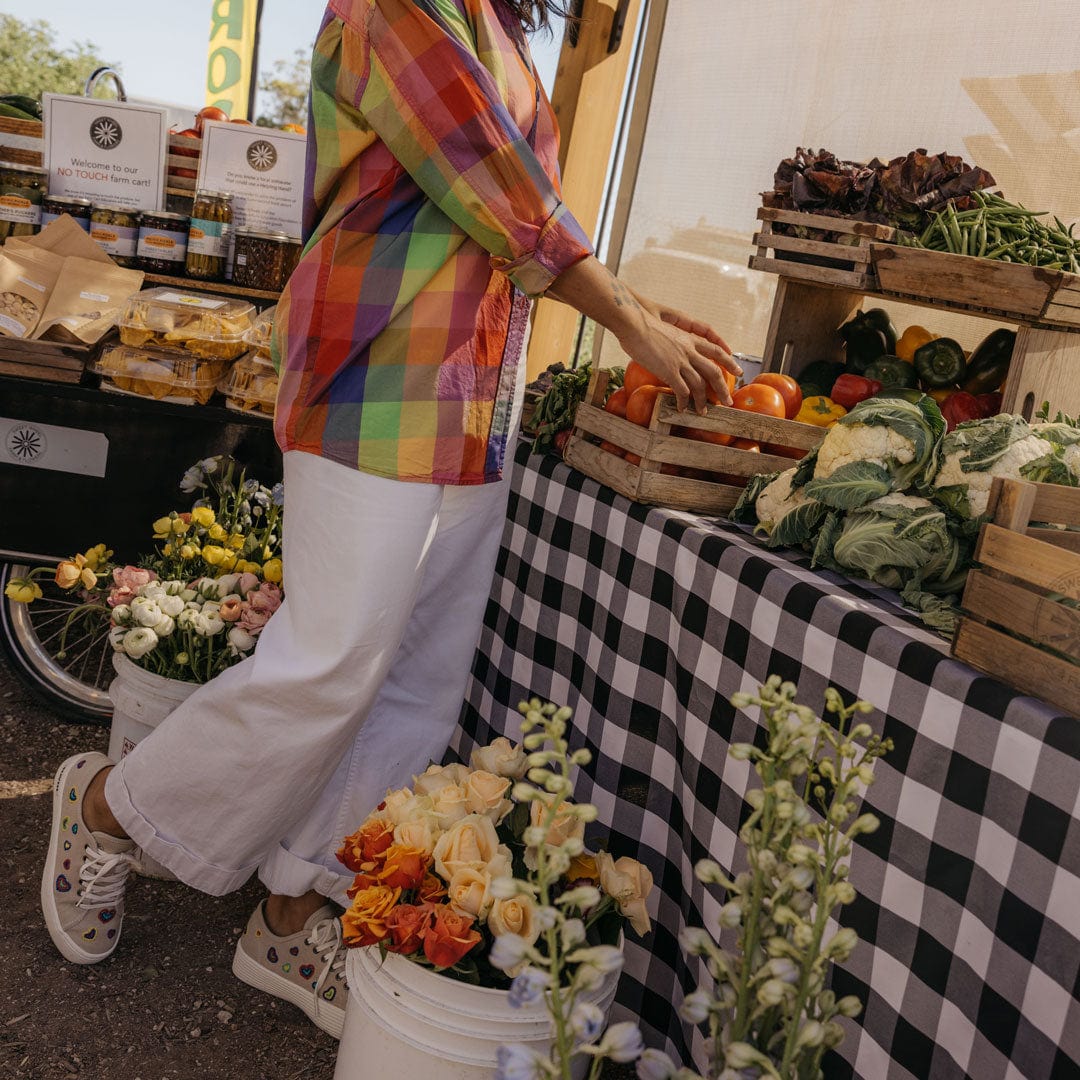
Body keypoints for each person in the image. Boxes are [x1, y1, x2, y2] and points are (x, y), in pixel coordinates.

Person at [41, 0, 738, 1041]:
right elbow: (491, 176)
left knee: (417, 682)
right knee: (326, 665)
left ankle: (293, 908)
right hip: (375, 378)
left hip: (468, 396)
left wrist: (625, 301)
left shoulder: (500, 25)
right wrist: (626, 315)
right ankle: (106, 809)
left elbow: (518, 199)